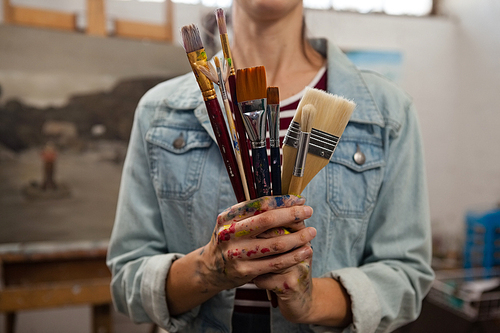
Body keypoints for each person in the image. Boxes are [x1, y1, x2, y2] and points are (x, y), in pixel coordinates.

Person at [107, 1, 434, 332]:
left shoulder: (388, 112)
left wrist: (312, 299)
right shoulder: (159, 111)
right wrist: (208, 269)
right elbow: (126, 283)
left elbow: (405, 278)